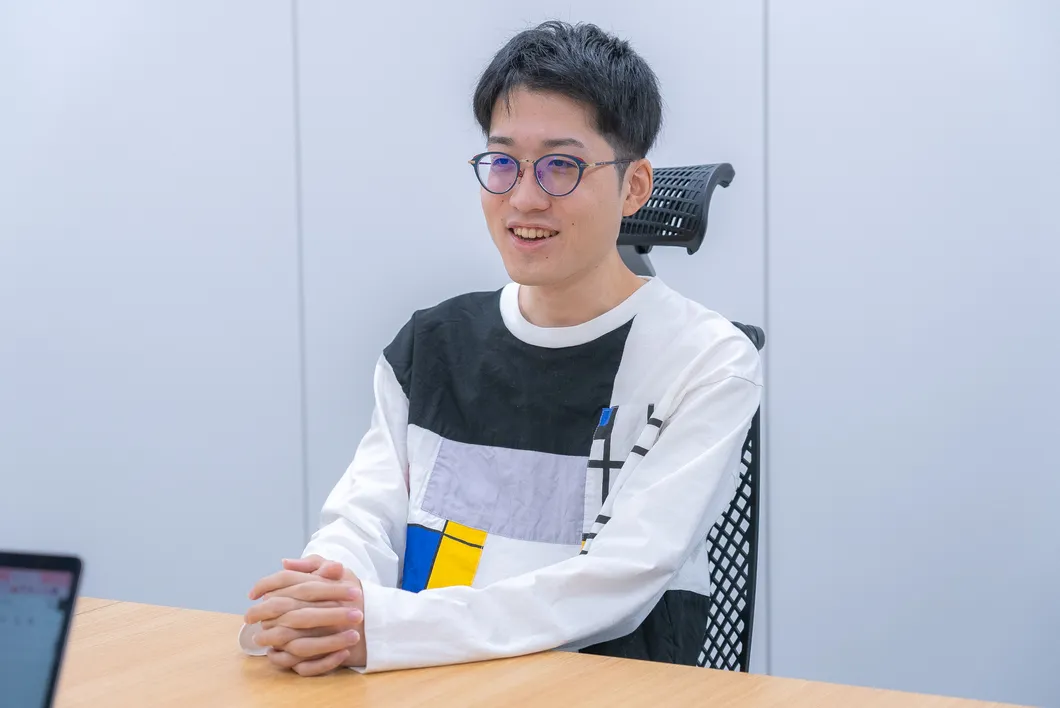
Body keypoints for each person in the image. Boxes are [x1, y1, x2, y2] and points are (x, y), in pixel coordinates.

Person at [239, 19, 763, 676]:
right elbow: (363, 519)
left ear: (634, 186)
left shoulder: (705, 362)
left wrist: (383, 628)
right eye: (503, 162)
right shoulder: (430, 345)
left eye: (561, 166)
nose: (524, 198)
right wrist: (325, 598)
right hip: (420, 681)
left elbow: (616, 583)